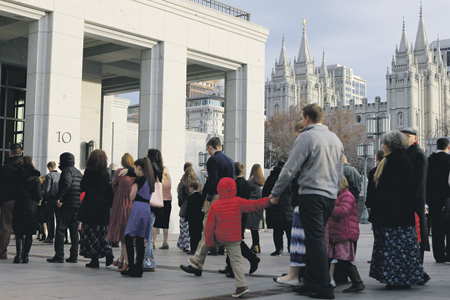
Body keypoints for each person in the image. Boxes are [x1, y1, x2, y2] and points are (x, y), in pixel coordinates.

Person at [270, 104, 344, 299]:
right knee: (314, 239)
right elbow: (339, 172)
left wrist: (275, 192)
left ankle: (324, 287)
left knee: (315, 240)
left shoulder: (306, 137)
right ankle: (310, 282)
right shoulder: (335, 139)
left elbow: (289, 168)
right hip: (329, 196)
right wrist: (333, 191)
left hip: (311, 194)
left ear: (306, 118)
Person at [205, 177, 278, 298]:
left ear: (219, 189)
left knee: (203, 245)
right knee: (236, 262)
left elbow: (209, 227)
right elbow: (254, 205)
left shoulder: (215, 204)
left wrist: (209, 243)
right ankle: (241, 286)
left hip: (220, 236)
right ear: (234, 189)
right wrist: (269, 201)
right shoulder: (239, 201)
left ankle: (197, 262)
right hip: (234, 237)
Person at [369, 130, 424, 289]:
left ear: (391, 145)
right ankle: (400, 278)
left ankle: (396, 279)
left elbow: (391, 189)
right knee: (399, 249)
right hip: (398, 214)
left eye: (385, 143)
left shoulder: (395, 161)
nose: (383, 146)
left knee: (394, 249)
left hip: (394, 215)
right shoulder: (399, 159)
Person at [180, 137, 234, 276]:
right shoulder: (230, 161)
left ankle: (197, 264)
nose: (208, 152)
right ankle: (198, 263)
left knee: (208, 230)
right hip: (229, 198)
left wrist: (208, 198)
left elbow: (213, 181)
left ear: (210, 147)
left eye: (207, 149)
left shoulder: (213, 160)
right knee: (225, 232)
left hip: (216, 197)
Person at [274, 120, 306, 287]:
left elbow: (288, 171)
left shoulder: (304, 144)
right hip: (323, 198)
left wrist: (275, 192)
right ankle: (308, 275)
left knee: (298, 239)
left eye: (295, 136)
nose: (295, 139)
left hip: (304, 198)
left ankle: (295, 274)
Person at [219, 162, 260, 278]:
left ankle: (251, 259)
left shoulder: (235, 184)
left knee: (235, 241)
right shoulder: (246, 183)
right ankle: (230, 266)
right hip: (243, 214)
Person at [401, 128, 430, 283]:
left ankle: (419, 269)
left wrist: (410, 202)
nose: (405, 139)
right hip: (409, 201)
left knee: (417, 235)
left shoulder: (418, 154)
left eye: (408, 137)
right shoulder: (406, 153)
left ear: (415, 138)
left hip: (415, 202)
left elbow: (418, 182)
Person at [326, 177, 365, 293]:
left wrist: (327, 208)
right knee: (337, 259)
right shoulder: (340, 195)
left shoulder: (347, 195)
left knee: (343, 260)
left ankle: (358, 282)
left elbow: (343, 211)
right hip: (337, 233)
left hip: (344, 233)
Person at [78, 150, 114, 268]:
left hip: (90, 207)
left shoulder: (89, 172)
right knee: (102, 233)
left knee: (90, 234)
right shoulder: (106, 173)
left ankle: (94, 260)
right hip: (102, 208)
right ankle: (108, 252)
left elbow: (82, 187)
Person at [121, 157, 155, 278]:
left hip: (137, 208)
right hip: (146, 209)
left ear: (139, 167)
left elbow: (131, 196)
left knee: (129, 237)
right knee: (140, 239)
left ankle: (131, 266)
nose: (134, 170)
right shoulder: (151, 180)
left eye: (135, 168)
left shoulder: (139, 180)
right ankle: (138, 267)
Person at [47, 152, 82, 263]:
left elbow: (66, 184)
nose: (59, 163)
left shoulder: (67, 171)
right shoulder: (78, 172)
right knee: (74, 231)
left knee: (61, 229)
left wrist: (59, 198)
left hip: (67, 204)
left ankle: (59, 255)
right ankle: (73, 256)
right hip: (77, 205)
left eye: (60, 161)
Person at [12, 156, 44, 263]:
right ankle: (25, 256)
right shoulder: (35, 178)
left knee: (19, 232)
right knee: (29, 233)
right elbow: (39, 194)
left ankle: (18, 255)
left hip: (19, 205)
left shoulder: (17, 176)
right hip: (31, 206)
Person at [108, 153, 135, 271]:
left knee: (123, 234)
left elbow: (113, 187)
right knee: (126, 232)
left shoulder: (119, 172)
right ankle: (121, 260)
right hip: (132, 204)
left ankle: (125, 262)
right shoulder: (135, 174)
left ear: (123, 162)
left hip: (120, 203)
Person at [426, 137, 450, 263]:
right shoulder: (449, 160)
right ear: (448, 147)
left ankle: (439, 255)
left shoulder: (429, 160)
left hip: (433, 200)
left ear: (436, 146)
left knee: (436, 228)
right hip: (447, 199)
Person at [263, 161, 293, 256]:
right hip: (289, 208)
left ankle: (278, 249)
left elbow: (265, 194)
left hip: (275, 208)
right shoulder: (290, 178)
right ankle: (290, 248)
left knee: (277, 230)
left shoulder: (271, 178)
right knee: (289, 231)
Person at [0, 143, 22, 260]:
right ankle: (21, 253)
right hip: (23, 201)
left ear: (10, 152)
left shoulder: (6, 167)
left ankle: (2, 251)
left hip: (8, 200)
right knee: (20, 226)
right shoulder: (24, 166)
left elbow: (2, 186)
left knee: (5, 226)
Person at [177, 166, 198, 253]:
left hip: (184, 208)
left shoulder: (182, 183)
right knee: (190, 228)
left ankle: (185, 246)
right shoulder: (196, 183)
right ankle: (190, 245)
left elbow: (180, 196)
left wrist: (180, 204)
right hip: (194, 210)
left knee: (183, 228)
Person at [246, 164, 265, 253]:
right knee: (255, 228)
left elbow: (245, 192)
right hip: (260, 205)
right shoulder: (263, 181)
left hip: (251, 205)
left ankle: (255, 245)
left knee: (251, 227)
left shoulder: (251, 181)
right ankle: (256, 245)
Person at [153, 167, 172, 250]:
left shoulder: (159, 179)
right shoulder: (169, 180)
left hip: (160, 201)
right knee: (166, 223)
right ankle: (165, 242)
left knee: (156, 222)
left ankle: (153, 242)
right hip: (169, 201)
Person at [43, 161, 60, 244]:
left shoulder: (49, 176)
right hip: (58, 199)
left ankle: (50, 236)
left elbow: (47, 189)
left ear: (49, 167)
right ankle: (59, 236)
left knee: (50, 219)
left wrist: (45, 198)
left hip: (51, 199)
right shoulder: (60, 175)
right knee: (59, 219)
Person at [185, 181, 204, 254]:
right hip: (199, 218)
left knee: (192, 234)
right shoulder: (201, 197)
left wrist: (187, 217)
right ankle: (199, 249)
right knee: (199, 234)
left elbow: (188, 209)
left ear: (191, 188)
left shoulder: (190, 197)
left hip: (192, 219)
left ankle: (193, 249)